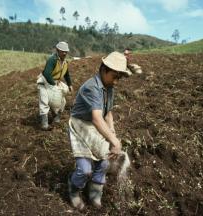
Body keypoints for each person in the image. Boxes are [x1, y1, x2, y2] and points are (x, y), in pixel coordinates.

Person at [67, 51, 132, 210]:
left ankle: (95, 192)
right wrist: (114, 140)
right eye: (115, 76)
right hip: (81, 125)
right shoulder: (92, 87)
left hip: (96, 124)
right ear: (104, 70)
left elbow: (107, 113)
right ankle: (73, 189)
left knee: (104, 161)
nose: (116, 82)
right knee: (85, 169)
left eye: (119, 78)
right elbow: (96, 118)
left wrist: (113, 134)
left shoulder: (109, 87)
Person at [36, 41, 73, 130]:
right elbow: (47, 73)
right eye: (62, 51)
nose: (64, 53)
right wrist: (53, 83)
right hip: (45, 82)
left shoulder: (65, 62)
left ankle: (56, 117)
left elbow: (66, 74)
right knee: (44, 100)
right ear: (57, 50)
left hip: (55, 82)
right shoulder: (52, 60)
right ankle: (44, 124)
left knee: (61, 100)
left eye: (66, 51)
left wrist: (70, 84)